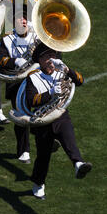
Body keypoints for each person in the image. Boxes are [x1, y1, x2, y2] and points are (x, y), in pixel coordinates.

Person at [21, 42, 92, 200]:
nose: (51, 59)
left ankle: (78, 164)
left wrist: (67, 69)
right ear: (39, 60)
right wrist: (50, 93)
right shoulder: (33, 77)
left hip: (60, 116)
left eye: (52, 55)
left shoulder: (61, 71)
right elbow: (32, 100)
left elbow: (80, 81)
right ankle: (38, 184)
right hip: (43, 121)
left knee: (70, 141)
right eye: (46, 56)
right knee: (43, 157)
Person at [0, 3, 41, 161]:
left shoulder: (37, 36)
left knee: (43, 112)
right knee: (21, 116)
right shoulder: (7, 40)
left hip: (37, 82)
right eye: (20, 18)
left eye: (26, 18)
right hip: (17, 84)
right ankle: (23, 150)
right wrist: (15, 62)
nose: (24, 20)